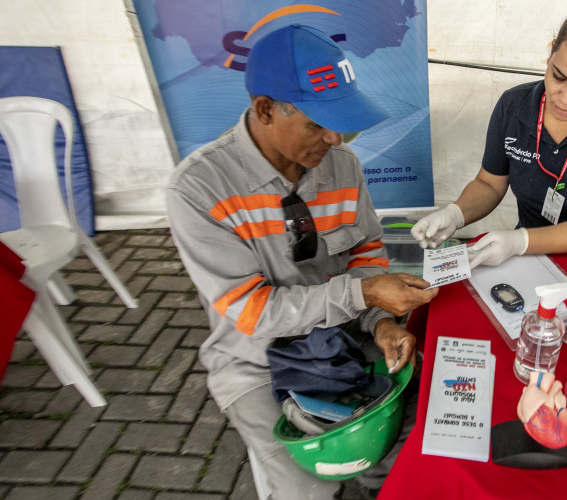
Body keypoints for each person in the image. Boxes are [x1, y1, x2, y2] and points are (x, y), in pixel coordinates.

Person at [166, 24, 437, 499]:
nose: (334, 138)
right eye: (316, 123)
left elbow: (366, 254)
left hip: (349, 339)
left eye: (340, 120)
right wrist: (364, 295)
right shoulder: (198, 190)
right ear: (265, 110)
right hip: (258, 363)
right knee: (312, 488)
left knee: (406, 459)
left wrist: (378, 323)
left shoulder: (343, 165)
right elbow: (254, 312)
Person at [412, 4, 567, 268]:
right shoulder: (513, 105)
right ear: (551, 51)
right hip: (531, 251)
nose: (565, 99)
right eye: (558, 76)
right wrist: (456, 213)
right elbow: (489, 184)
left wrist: (520, 241)